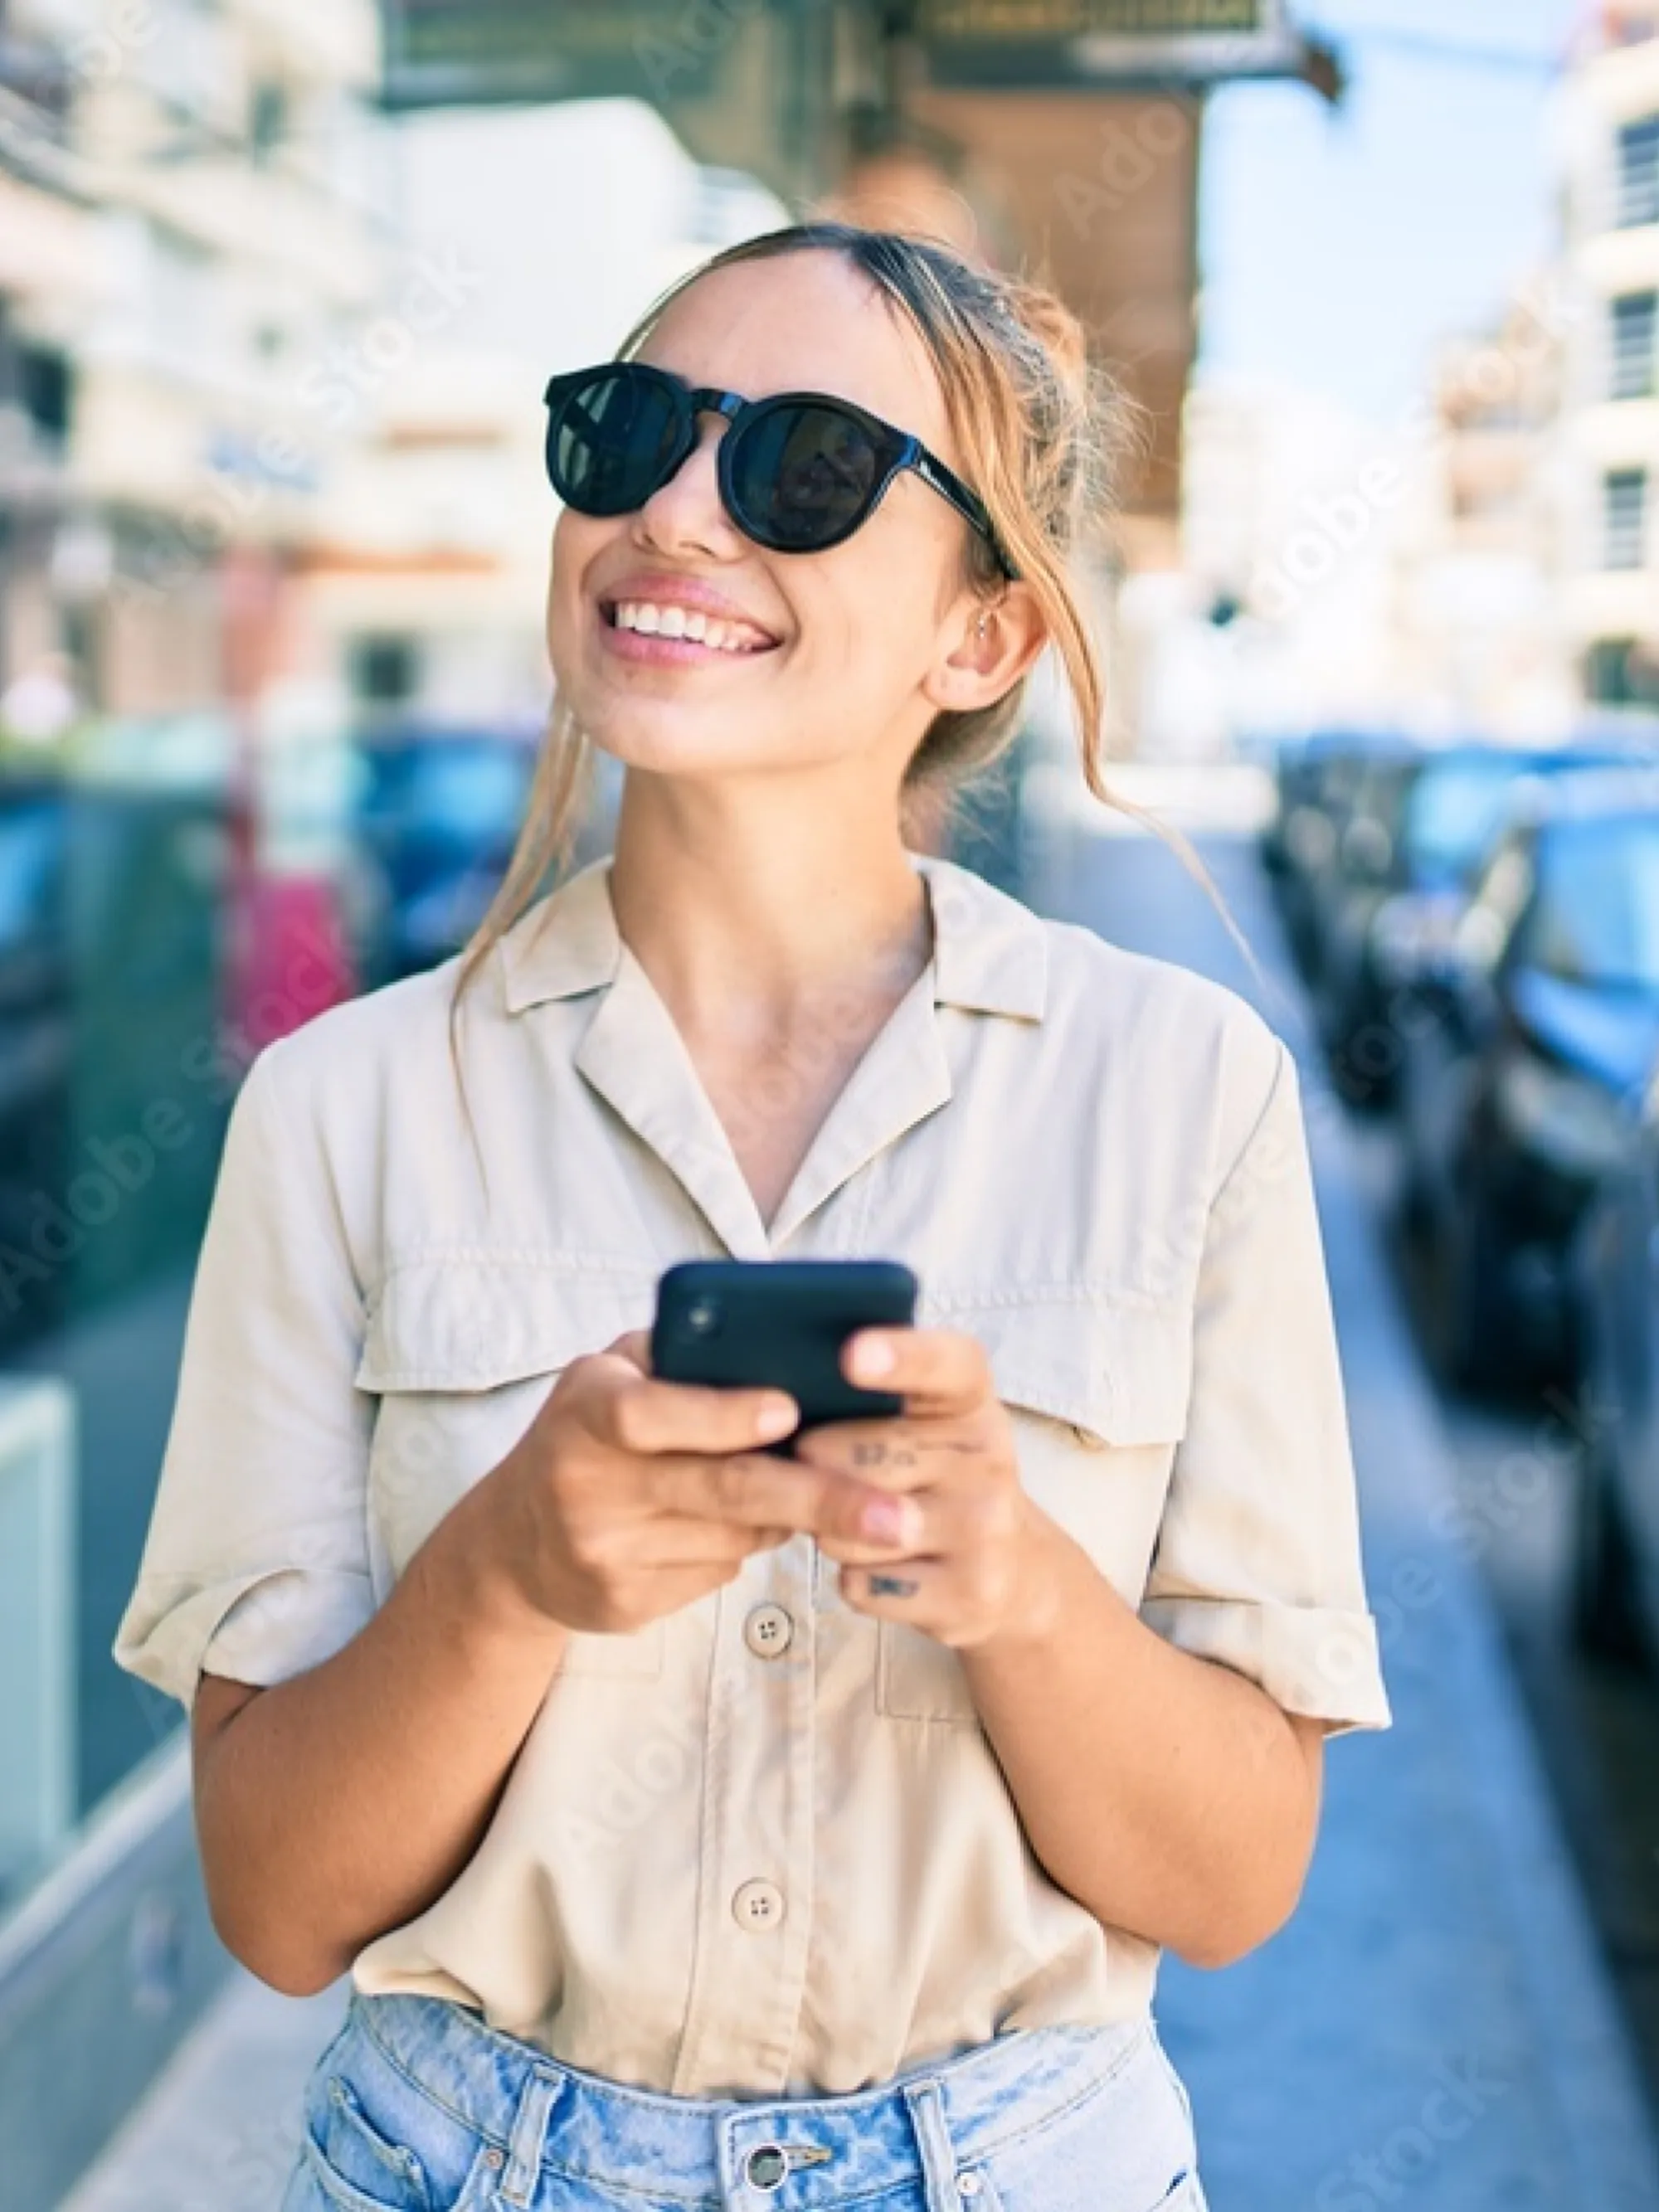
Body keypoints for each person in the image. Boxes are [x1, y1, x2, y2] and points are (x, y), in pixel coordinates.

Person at [113, 221, 1392, 2212]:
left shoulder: (1186, 1090)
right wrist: (507, 1570)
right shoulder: (340, 1108)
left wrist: (1018, 1586)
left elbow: (1230, 1885)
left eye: (802, 465)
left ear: (980, 638)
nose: (677, 512)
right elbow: (277, 1905)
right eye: (625, 436)